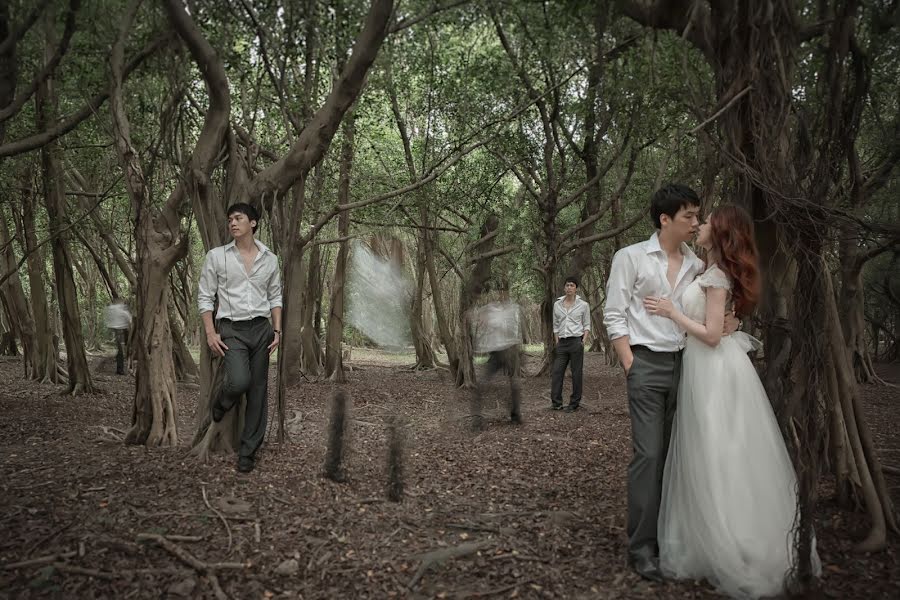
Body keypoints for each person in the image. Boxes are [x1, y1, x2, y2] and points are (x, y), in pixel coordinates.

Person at [645, 205, 820, 598]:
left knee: (720, 450)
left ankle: (734, 539)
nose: (700, 225)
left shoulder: (717, 275)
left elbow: (709, 335)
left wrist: (673, 313)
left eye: (705, 222)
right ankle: (709, 537)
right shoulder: (703, 268)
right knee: (711, 451)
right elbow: (720, 321)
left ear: (720, 232)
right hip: (707, 367)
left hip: (713, 368)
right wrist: (731, 319)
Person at [603, 184, 711, 581]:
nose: (695, 223)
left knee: (677, 454)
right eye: (689, 217)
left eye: (698, 217)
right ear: (665, 219)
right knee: (648, 455)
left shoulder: (697, 265)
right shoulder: (630, 257)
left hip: (687, 366)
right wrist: (631, 363)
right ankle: (642, 548)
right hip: (645, 364)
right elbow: (614, 314)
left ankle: (671, 537)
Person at [198, 203, 282, 474]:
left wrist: (277, 330)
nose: (233, 223)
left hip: (261, 329)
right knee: (238, 381)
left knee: (258, 391)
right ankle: (222, 402)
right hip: (231, 328)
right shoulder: (217, 256)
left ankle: (248, 452)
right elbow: (205, 296)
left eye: (239, 218)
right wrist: (211, 332)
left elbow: (275, 297)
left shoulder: (270, 258)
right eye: (230, 219)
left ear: (253, 223)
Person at [471, 301, 523, 428]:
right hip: (495, 354)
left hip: (509, 352)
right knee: (482, 384)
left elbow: (513, 330)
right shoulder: (488, 310)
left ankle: (516, 416)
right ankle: (477, 420)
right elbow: (481, 327)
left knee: (514, 385)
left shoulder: (512, 309)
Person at [550, 276, 590, 412]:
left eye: (572, 285)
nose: (569, 288)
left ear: (576, 288)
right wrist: (557, 341)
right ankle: (556, 403)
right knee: (557, 372)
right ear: (564, 288)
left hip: (576, 342)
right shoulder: (557, 304)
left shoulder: (583, 305)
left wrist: (583, 342)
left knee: (576, 373)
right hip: (562, 343)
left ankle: (574, 404)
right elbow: (555, 325)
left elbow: (587, 325)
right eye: (567, 285)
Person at [104, 297, 131, 375]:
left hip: (115, 330)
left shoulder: (111, 309)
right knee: (121, 351)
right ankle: (120, 370)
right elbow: (130, 319)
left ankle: (120, 369)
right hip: (120, 331)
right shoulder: (122, 310)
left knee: (120, 350)